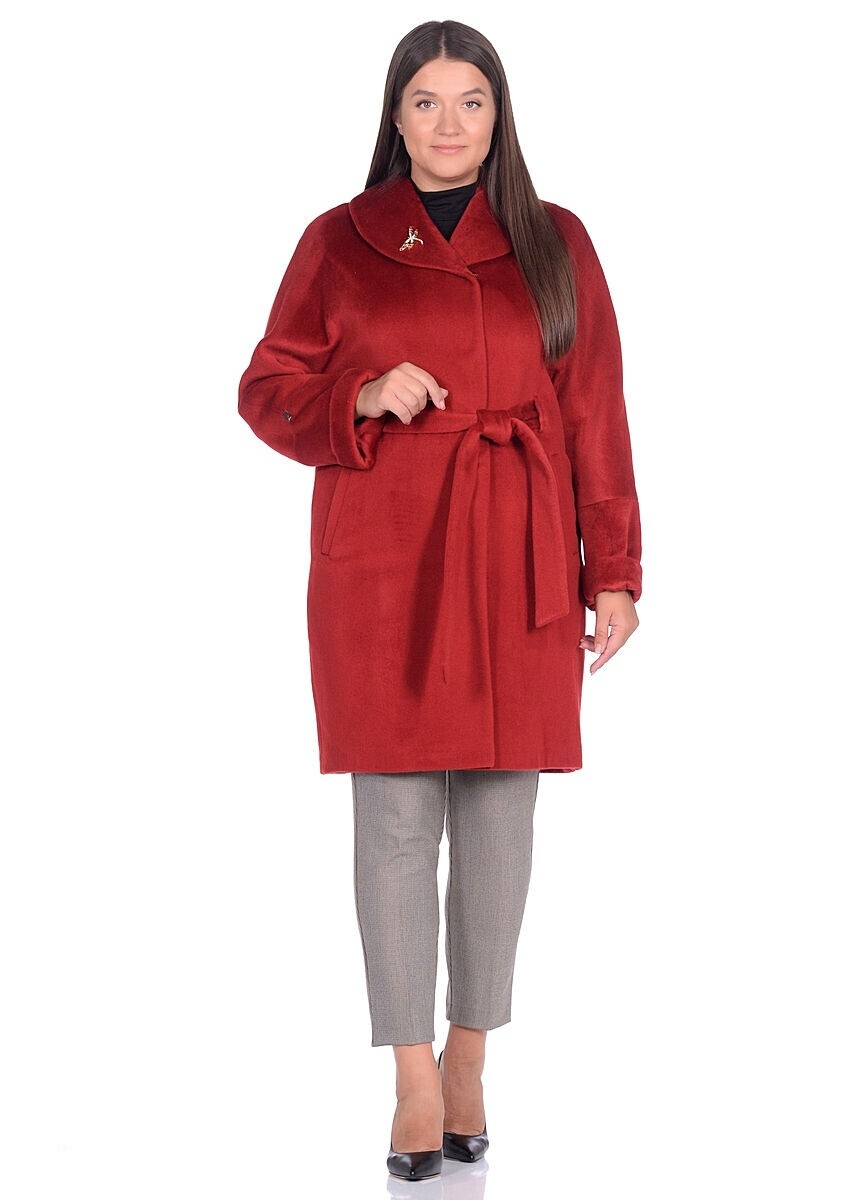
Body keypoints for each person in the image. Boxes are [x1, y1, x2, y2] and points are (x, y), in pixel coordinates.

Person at [238, 19, 642, 1182]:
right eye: (427, 101)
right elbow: (266, 387)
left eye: (472, 101)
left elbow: (595, 407)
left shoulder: (556, 241)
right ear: (395, 116)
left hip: (518, 548)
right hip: (386, 554)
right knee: (396, 821)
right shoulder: (340, 240)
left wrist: (614, 567)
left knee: (503, 820)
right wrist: (360, 391)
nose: (450, 123)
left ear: (499, 116)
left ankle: (471, 1054)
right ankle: (412, 1075)